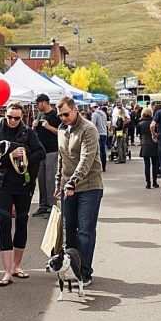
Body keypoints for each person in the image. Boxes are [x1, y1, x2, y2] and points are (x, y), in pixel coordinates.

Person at [0, 103, 45, 287]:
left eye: (16, 118)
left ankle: (17, 266)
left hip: (23, 184)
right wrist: (10, 155)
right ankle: (7, 272)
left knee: (22, 222)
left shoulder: (28, 132)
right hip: (2, 183)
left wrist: (24, 156)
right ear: (4, 115)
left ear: (22, 118)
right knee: (5, 223)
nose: (13, 121)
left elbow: (41, 153)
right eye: (10, 117)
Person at [55, 96, 103, 285]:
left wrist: (73, 181)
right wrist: (59, 183)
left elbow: (86, 159)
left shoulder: (88, 129)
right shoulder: (61, 129)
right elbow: (61, 157)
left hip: (89, 186)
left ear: (75, 109)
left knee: (85, 231)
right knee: (70, 232)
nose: (63, 118)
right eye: (60, 115)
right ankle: (71, 269)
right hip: (68, 188)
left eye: (66, 114)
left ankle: (84, 272)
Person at [32, 93, 60, 217]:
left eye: (38, 103)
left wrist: (49, 127)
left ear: (44, 102)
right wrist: (34, 127)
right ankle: (43, 206)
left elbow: (62, 132)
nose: (37, 106)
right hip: (40, 152)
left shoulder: (55, 115)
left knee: (50, 180)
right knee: (41, 180)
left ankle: (51, 207)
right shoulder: (39, 115)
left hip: (52, 151)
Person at [137, 107, 158, 189]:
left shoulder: (140, 123)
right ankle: (155, 182)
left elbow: (139, 134)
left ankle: (148, 183)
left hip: (145, 144)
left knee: (147, 165)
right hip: (154, 143)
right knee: (155, 164)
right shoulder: (154, 123)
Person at [90, 104, 109, 171]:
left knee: (98, 151)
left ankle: (99, 166)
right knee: (103, 150)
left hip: (98, 134)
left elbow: (93, 125)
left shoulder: (95, 114)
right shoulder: (103, 113)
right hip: (104, 133)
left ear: (92, 108)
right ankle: (104, 166)